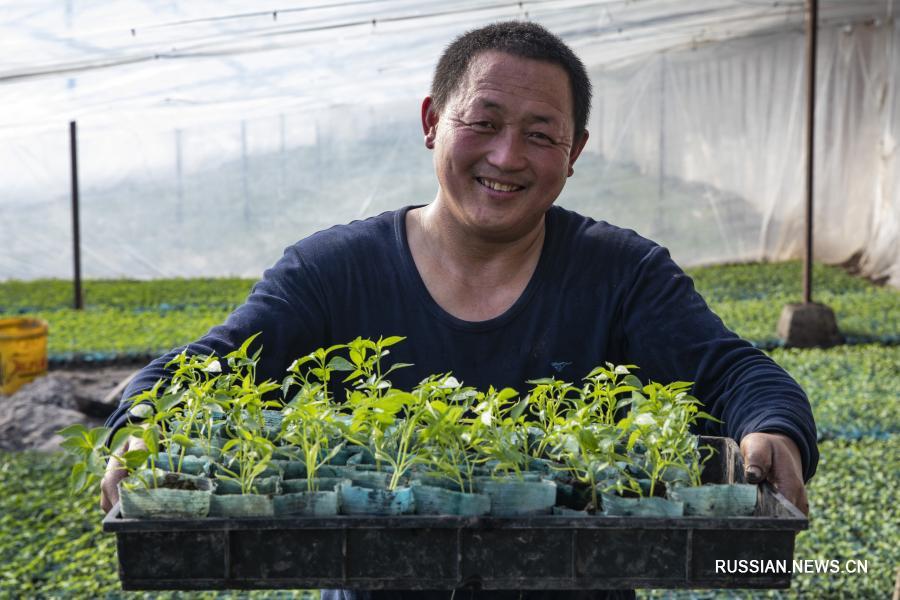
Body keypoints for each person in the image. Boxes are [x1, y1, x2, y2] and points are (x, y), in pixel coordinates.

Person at [100, 21, 817, 600]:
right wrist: (141, 427)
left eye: (542, 134)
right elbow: (206, 367)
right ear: (432, 121)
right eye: (484, 121)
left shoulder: (622, 273)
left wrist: (773, 432)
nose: (508, 156)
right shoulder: (332, 272)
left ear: (575, 154)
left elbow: (733, 373)